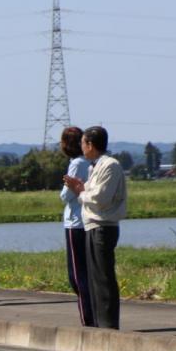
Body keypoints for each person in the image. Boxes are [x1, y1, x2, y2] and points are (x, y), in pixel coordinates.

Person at [63, 126, 125, 329]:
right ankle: (99, 321)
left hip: (103, 225)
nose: (81, 147)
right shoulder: (94, 166)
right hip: (91, 225)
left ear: (90, 144)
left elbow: (100, 197)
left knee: (103, 276)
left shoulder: (110, 165)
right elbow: (91, 190)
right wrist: (81, 187)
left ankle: (108, 323)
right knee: (94, 277)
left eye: (83, 143)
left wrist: (80, 191)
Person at [57, 126, 95, 325]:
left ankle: (87, 318)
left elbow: (66, 195)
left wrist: (67, 187)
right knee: (87, 271)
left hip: (75, 222)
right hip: (87, 221)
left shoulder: (76, 164)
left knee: (76, 275)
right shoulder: (89, 161)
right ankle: (92, 314)